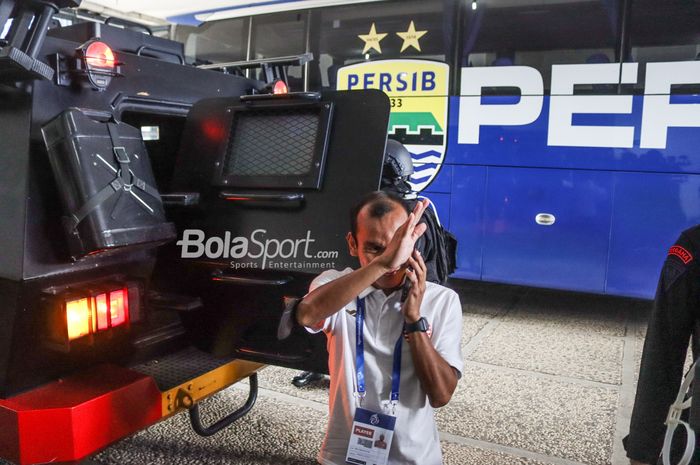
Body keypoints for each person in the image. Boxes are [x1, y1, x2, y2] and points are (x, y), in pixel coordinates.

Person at [296, 191, 463, 465]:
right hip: (343, 455)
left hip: (416, 457)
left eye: (397, 245)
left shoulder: (442, 301)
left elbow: (441, 395)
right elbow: (306, 315)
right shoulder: (334, 285)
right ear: (352, 244)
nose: (393, 260)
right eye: (375, 248)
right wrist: (383, 263)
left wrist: (414, 320)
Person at [625, 226, 700, 465]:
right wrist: (642, 448)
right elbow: (663, 354)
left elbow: (663, 352)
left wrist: (642, 450)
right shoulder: (693, 247)